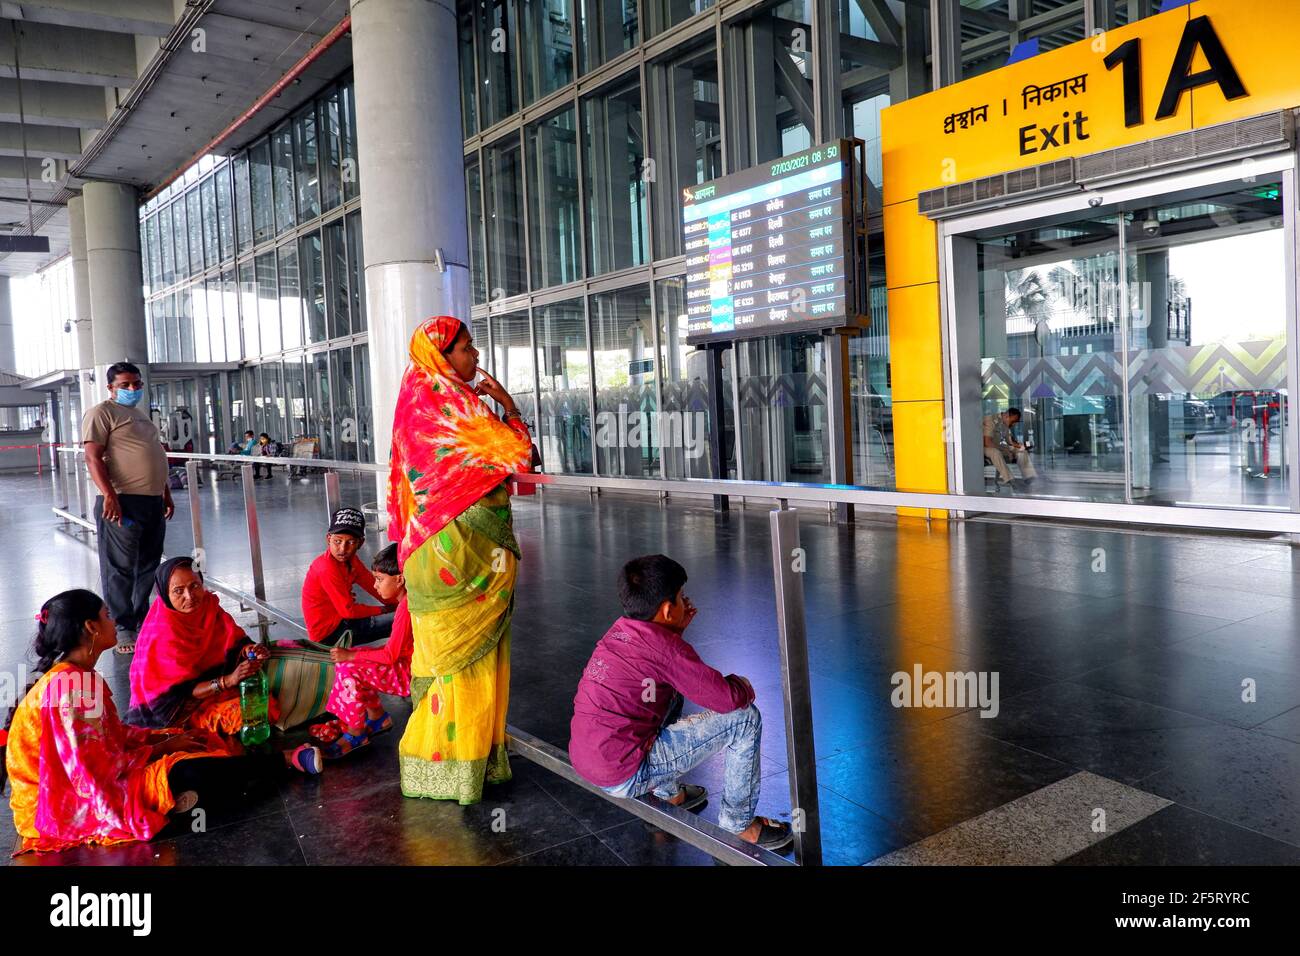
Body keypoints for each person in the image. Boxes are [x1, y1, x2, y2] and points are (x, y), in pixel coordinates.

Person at [1, 590, 321, 856]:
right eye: (107, 615)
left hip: (101, 777)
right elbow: (90, 778)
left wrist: (161, 743)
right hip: (63, 805)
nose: (114, 622)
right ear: (91, 627)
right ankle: (283, 761)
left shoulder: (77, 677)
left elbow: (110, 737)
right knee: (189, 770)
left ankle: (188, 795)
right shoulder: (69, 689)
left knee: (191, 741)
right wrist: (151, 767)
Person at [388, 315, 532, 804]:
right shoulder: (457, 405)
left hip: (428, 554)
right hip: (466, 553)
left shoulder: (412, 402)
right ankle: (471, 765)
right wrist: (507, 405)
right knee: (474, 659)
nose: (475, 358)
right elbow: (519, 456)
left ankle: (441, 763)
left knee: (444, 657)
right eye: (467, 349)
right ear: (442, 355)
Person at [570, 555, 792, 851]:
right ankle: (739, 825)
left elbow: (660, 666)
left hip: (588, 759)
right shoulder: (666, 649)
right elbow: (724, 699)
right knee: (745, 718)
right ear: (666, 609)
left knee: (666, 692)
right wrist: (742, 686)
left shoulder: (620, 630)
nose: (684, 601)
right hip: (625, 772)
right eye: (680, 597)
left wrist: (673, 632)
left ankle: (670, 794)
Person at [124, 556, 280, 735]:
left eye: (194, 586)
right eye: (178, 591)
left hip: (214, 693)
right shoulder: (162, 634)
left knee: (266, 702)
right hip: (181, 712)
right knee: (244, 714)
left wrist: (248, 650)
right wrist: (228, 681)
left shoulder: (209, 608)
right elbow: (176, 697)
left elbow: (233, 642)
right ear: (165, 594)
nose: (189, 596)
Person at [82, 361, 173, 656]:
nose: (132, 389)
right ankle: (123, 626)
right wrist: (108, 495)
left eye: (136, 384)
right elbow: (93, 457)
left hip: (152, 501)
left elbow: (154, 454)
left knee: (147, 564)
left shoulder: (139, 415)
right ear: (111, 387)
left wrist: (165, 493)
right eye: (125, 385)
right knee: (120, 566)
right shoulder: (101, 413)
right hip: (123, 501)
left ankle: (142, 618)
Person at [317, 544, 412, 759]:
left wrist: (351, 655)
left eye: (379, 579)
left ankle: (356, 732)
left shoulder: (406, 610)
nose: (375, 585)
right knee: (351, 662)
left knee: (349, 668)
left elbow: (390, 656)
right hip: (407, 663)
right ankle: (377, 716)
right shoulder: (405, 604)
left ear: (400, 579)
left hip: (409, 674)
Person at [302, 507, 396, 646]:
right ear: (328, 539)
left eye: (350, 542)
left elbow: (373, 585)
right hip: (329, 634)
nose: (342, 549)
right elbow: (349, 611)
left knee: (405, 615)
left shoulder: (352, 561)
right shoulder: (326, 568)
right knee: (403, 620)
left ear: (360, 543)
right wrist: (384, 610)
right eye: (337, 541)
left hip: (341, 620)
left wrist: (399, 603)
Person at [983, 407, 1037, 487]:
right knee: (995, 452)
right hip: (983, 447)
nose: (1014, 424)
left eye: (1016, 422)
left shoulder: (1005, 423)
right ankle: (1009, 479)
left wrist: (1021, 446)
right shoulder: (990, 420)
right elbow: (987, 442)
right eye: (1013, 421)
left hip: (996, 446)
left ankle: (1029, 477)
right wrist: (1007, 452)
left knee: (1020, 451)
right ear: (1006, 416)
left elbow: (1010, 441)